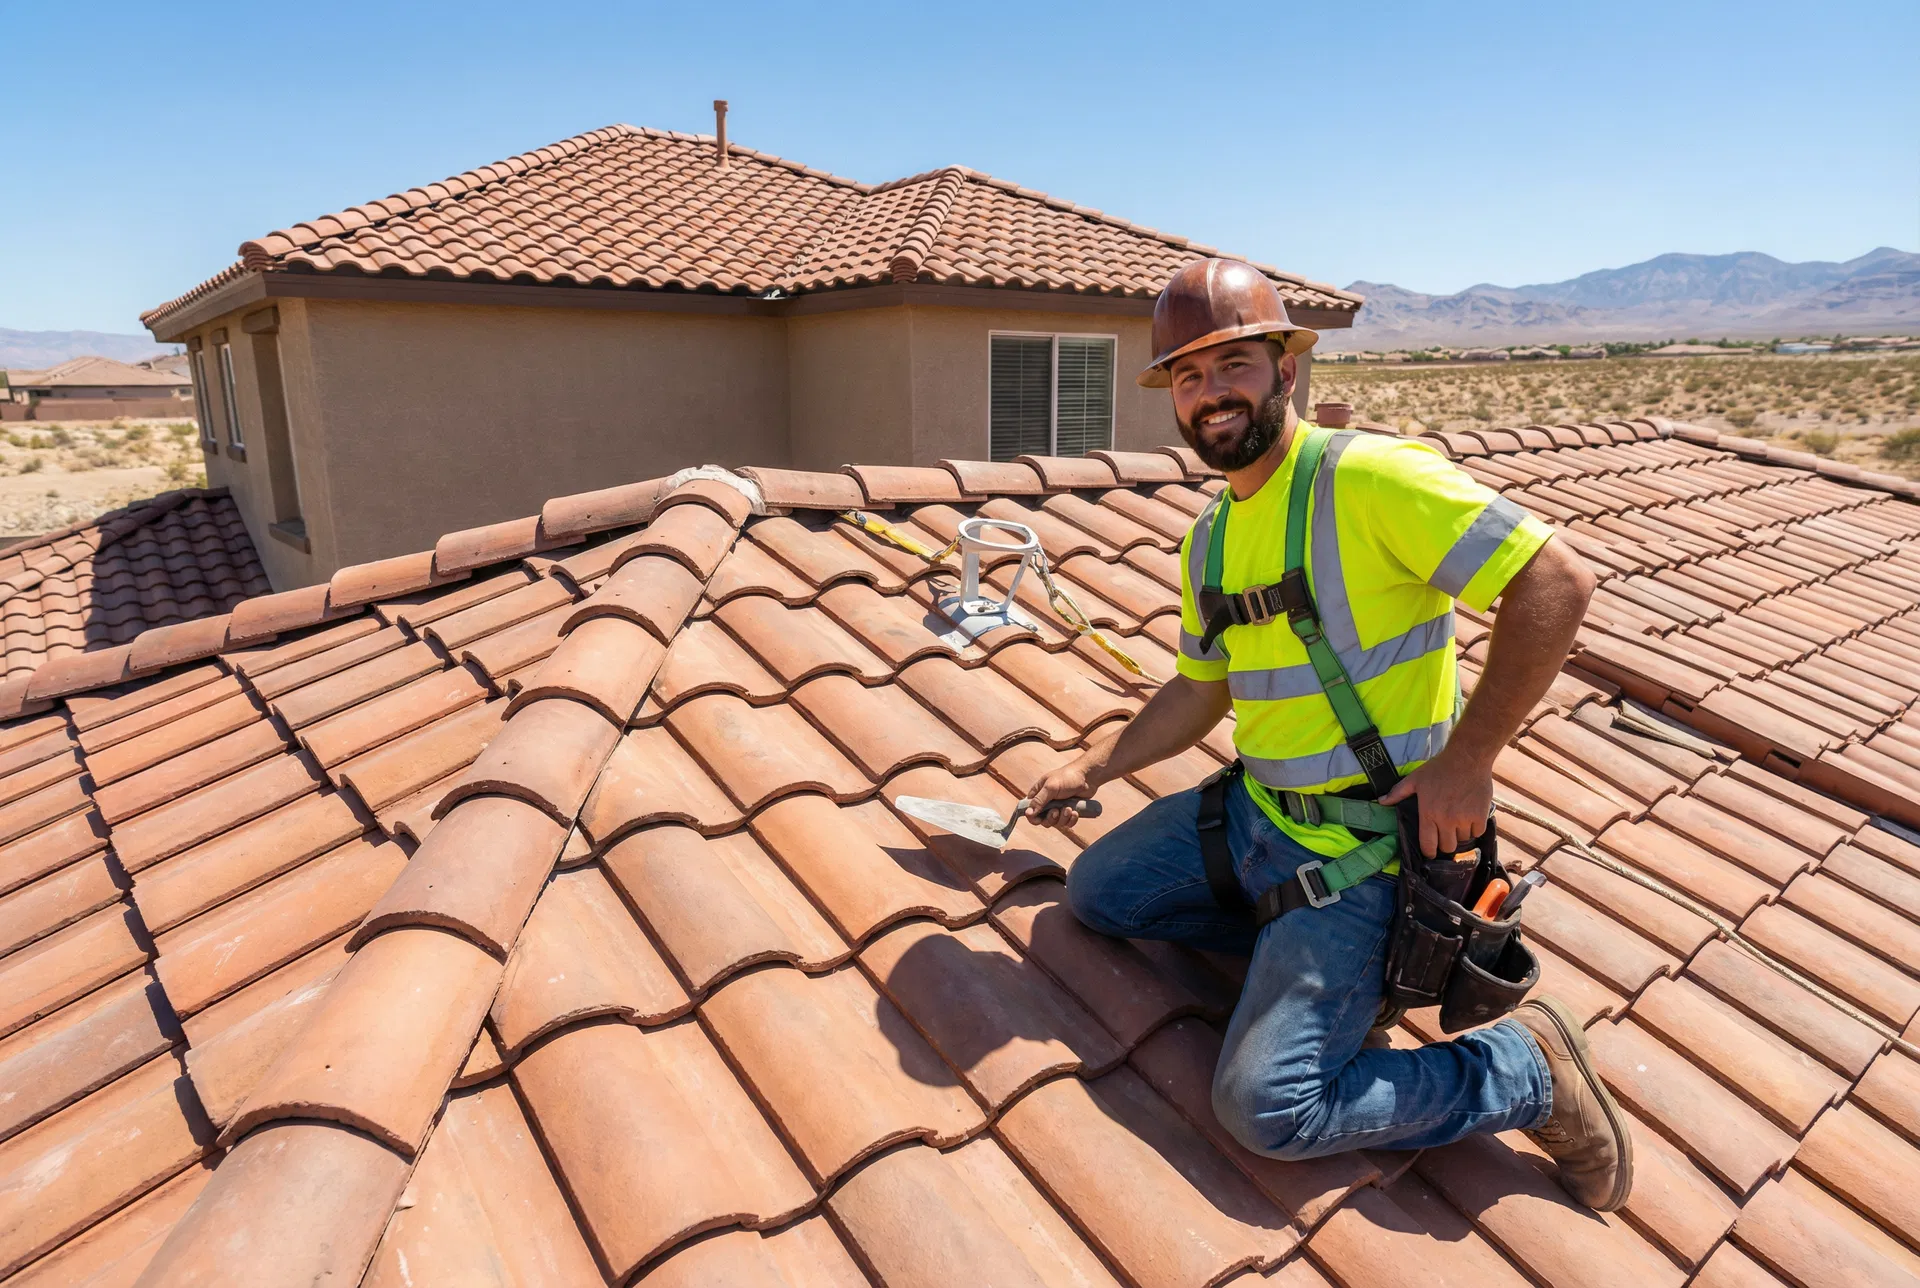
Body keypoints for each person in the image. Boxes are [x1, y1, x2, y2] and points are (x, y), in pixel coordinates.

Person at [1025, 258, 1632, 1210]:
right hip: (1258, 816)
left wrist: (1468, 764)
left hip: (1365, 853)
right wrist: (1092, 761)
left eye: (1232, 365)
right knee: (1097, 896)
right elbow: (1201, 693)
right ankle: (1318, 970)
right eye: (1187, 376)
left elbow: (1557, 581)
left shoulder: (1367, 479)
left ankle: (1526, 1070)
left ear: (1285, 370)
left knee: (1267, 1107)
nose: (1211, 393)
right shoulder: (1213, 538)